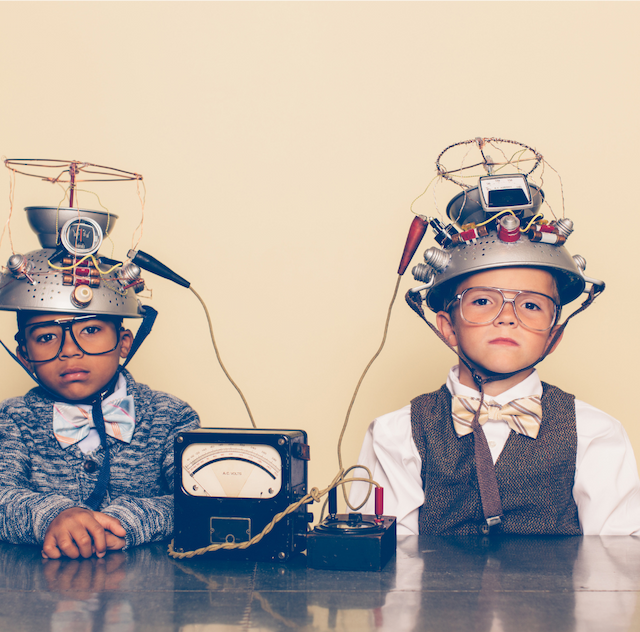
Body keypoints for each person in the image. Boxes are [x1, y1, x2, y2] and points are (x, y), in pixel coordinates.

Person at [350, 181, 640, 537]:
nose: (507, 316)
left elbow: (614, 563)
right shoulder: (396, 435)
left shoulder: (596, 433)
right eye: (483, 301)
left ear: (554, 335)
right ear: (448, 327)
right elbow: (386, 566)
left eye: (531, 305)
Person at [0, 207, 200, 559]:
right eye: (46, 338)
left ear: (124, 342)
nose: (70, 352)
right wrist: (53, 516)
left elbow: (197, 499)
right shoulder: (13, 419)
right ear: (24, 355)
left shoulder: (171, 417)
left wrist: (127, 521)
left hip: (144, 599)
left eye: (90, 331)